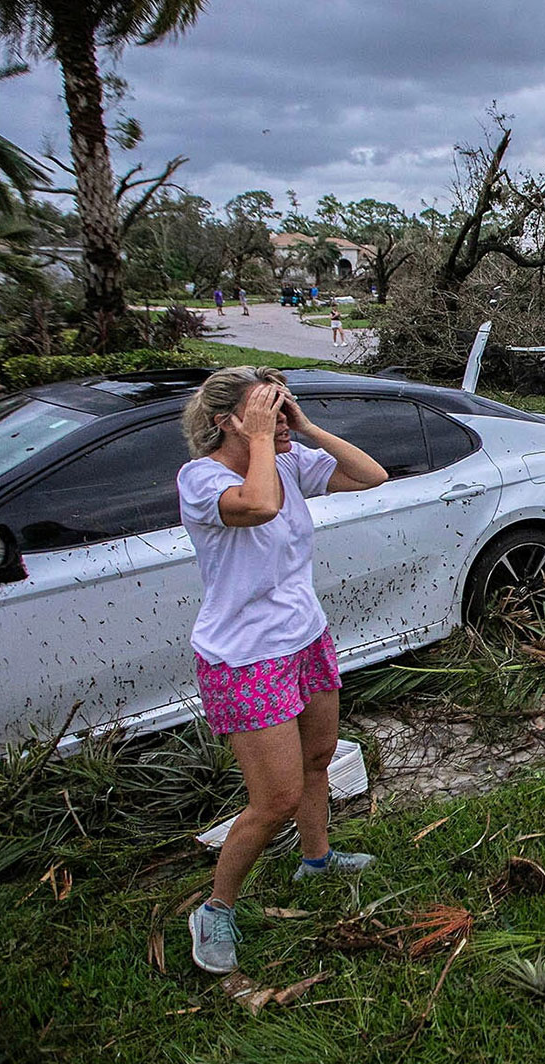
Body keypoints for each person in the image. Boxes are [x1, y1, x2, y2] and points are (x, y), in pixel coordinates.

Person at [177, 367, 388, 974]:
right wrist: (265, 441)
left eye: (281, 404)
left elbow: (370, 475)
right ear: (227, 422)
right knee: (275, 799)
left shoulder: (290, 461)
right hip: (246, 658)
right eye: (265, 408)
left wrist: (304, 426)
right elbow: (260, 506)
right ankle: (215, 910)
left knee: (320, 758)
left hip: (305, 637)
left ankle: (317, 858)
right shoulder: (202, 478)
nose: (279, 414)